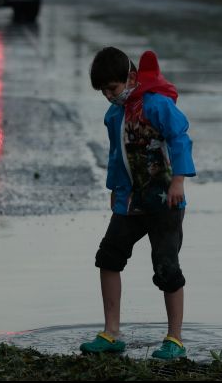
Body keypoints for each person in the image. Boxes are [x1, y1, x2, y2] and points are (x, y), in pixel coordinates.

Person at [81, 47, 196, 360]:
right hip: (131, 201)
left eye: (112, 88)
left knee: (166, 266)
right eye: (103, 92)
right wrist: (114, 188)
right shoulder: (114, 115)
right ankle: (111, 332)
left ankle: (174, 339)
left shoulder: (157, 105)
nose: (108, 96)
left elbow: (180, 139)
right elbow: (116, 156)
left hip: (165, 200)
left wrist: (178, 181)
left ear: (131, 78)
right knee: (108, 256)